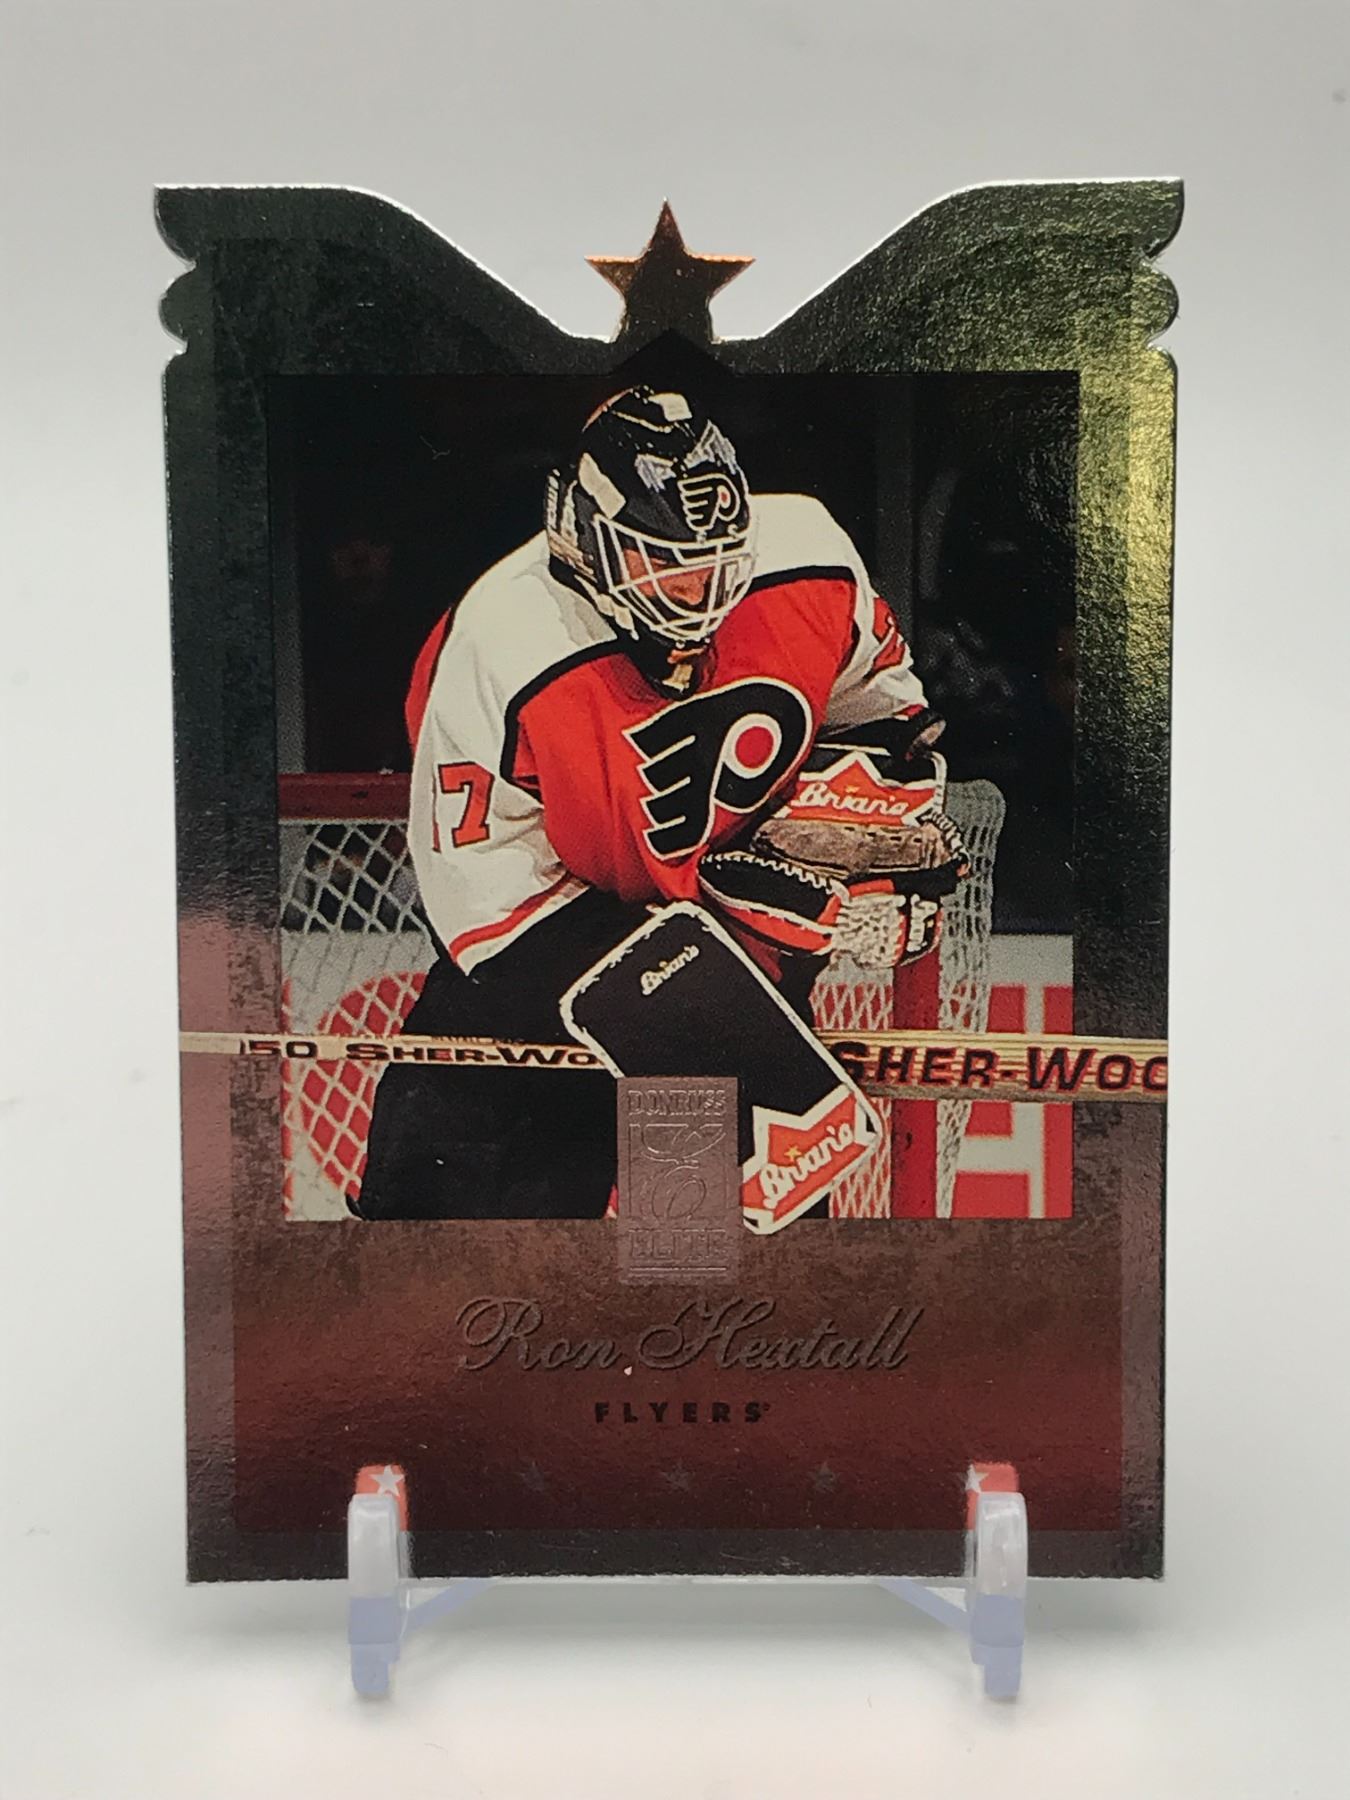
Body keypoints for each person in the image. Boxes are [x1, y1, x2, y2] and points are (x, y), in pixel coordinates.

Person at [355, 386, 961, 1220]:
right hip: (538, 1005)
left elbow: (883, 719)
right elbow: (491, 913)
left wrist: (854, 831)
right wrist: (712, 973)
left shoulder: (811, 560)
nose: (698, 591)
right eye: (665, 563)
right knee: (451, 1277)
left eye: (716, 564)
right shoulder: (500, 640)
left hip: (742, 982)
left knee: (711, 1286)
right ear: (583, 535)